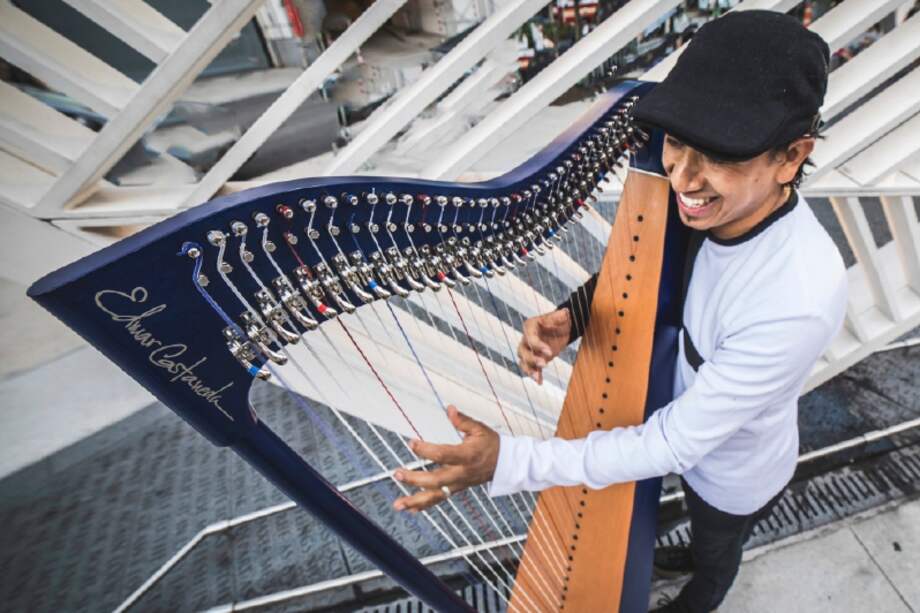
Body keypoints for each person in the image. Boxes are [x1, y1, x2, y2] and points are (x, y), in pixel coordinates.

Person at [392, 10, 847, 612]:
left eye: (719, 155)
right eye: (677, 142)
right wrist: (576, 313)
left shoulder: (797, 300)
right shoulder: (726, 206)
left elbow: (670, 445)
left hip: (734, 471)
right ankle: (693, 553)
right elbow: (670, 268)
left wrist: (511, 459)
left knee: (716, 545)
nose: (681, 175)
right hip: (698, 431)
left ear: (791, 158)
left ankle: (701, 590)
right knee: (691, 516)